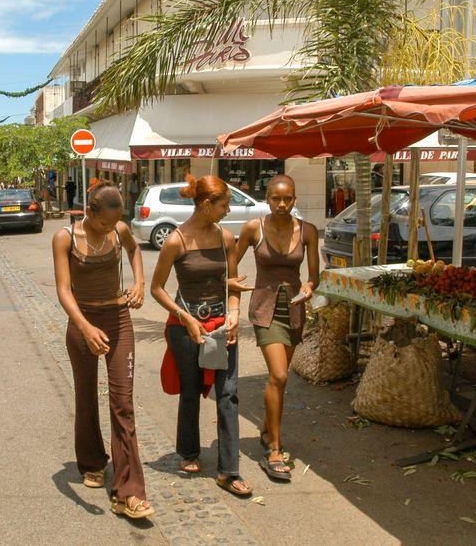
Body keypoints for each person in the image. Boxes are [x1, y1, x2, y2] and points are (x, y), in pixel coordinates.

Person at [52, 181, 153, 520]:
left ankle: (129, 491)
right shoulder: (65, 237)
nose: (110, 228)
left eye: (115, 222)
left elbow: (135, 250)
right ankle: (92, 461)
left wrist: (139, 283)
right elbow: (64, 290)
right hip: (82, 322)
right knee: (86, 396)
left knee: (123, 402)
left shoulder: (119, 229)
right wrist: (85, 326)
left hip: (117, 319)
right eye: (103, 223)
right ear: (89, 211)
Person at [150, 174, 249, 498]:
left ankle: (229, 471)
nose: (227, 210)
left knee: (228, 394)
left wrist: (234, 314)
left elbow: (232, 283)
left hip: (222, 325)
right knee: (190, 390)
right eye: (223, 205)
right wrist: (184, 317)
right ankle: (189, 452)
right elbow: (157, 288)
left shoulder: (226, 237)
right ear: (206, 205)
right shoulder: (176, 240)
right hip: (186, 326)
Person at [231, 175, 319, 482]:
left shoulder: (308, 231)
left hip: (294, 309)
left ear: (295, 200)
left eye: (288, 199)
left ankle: (268, 430)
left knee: (281, 381)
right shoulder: (254, 228)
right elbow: (232, 259)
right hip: (264, 309)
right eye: (276, 199)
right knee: (279, 375)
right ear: (266, 198)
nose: (282, 204)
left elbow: (314, 275)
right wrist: (232, 285)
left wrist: (309, 286)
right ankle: (274, 450)